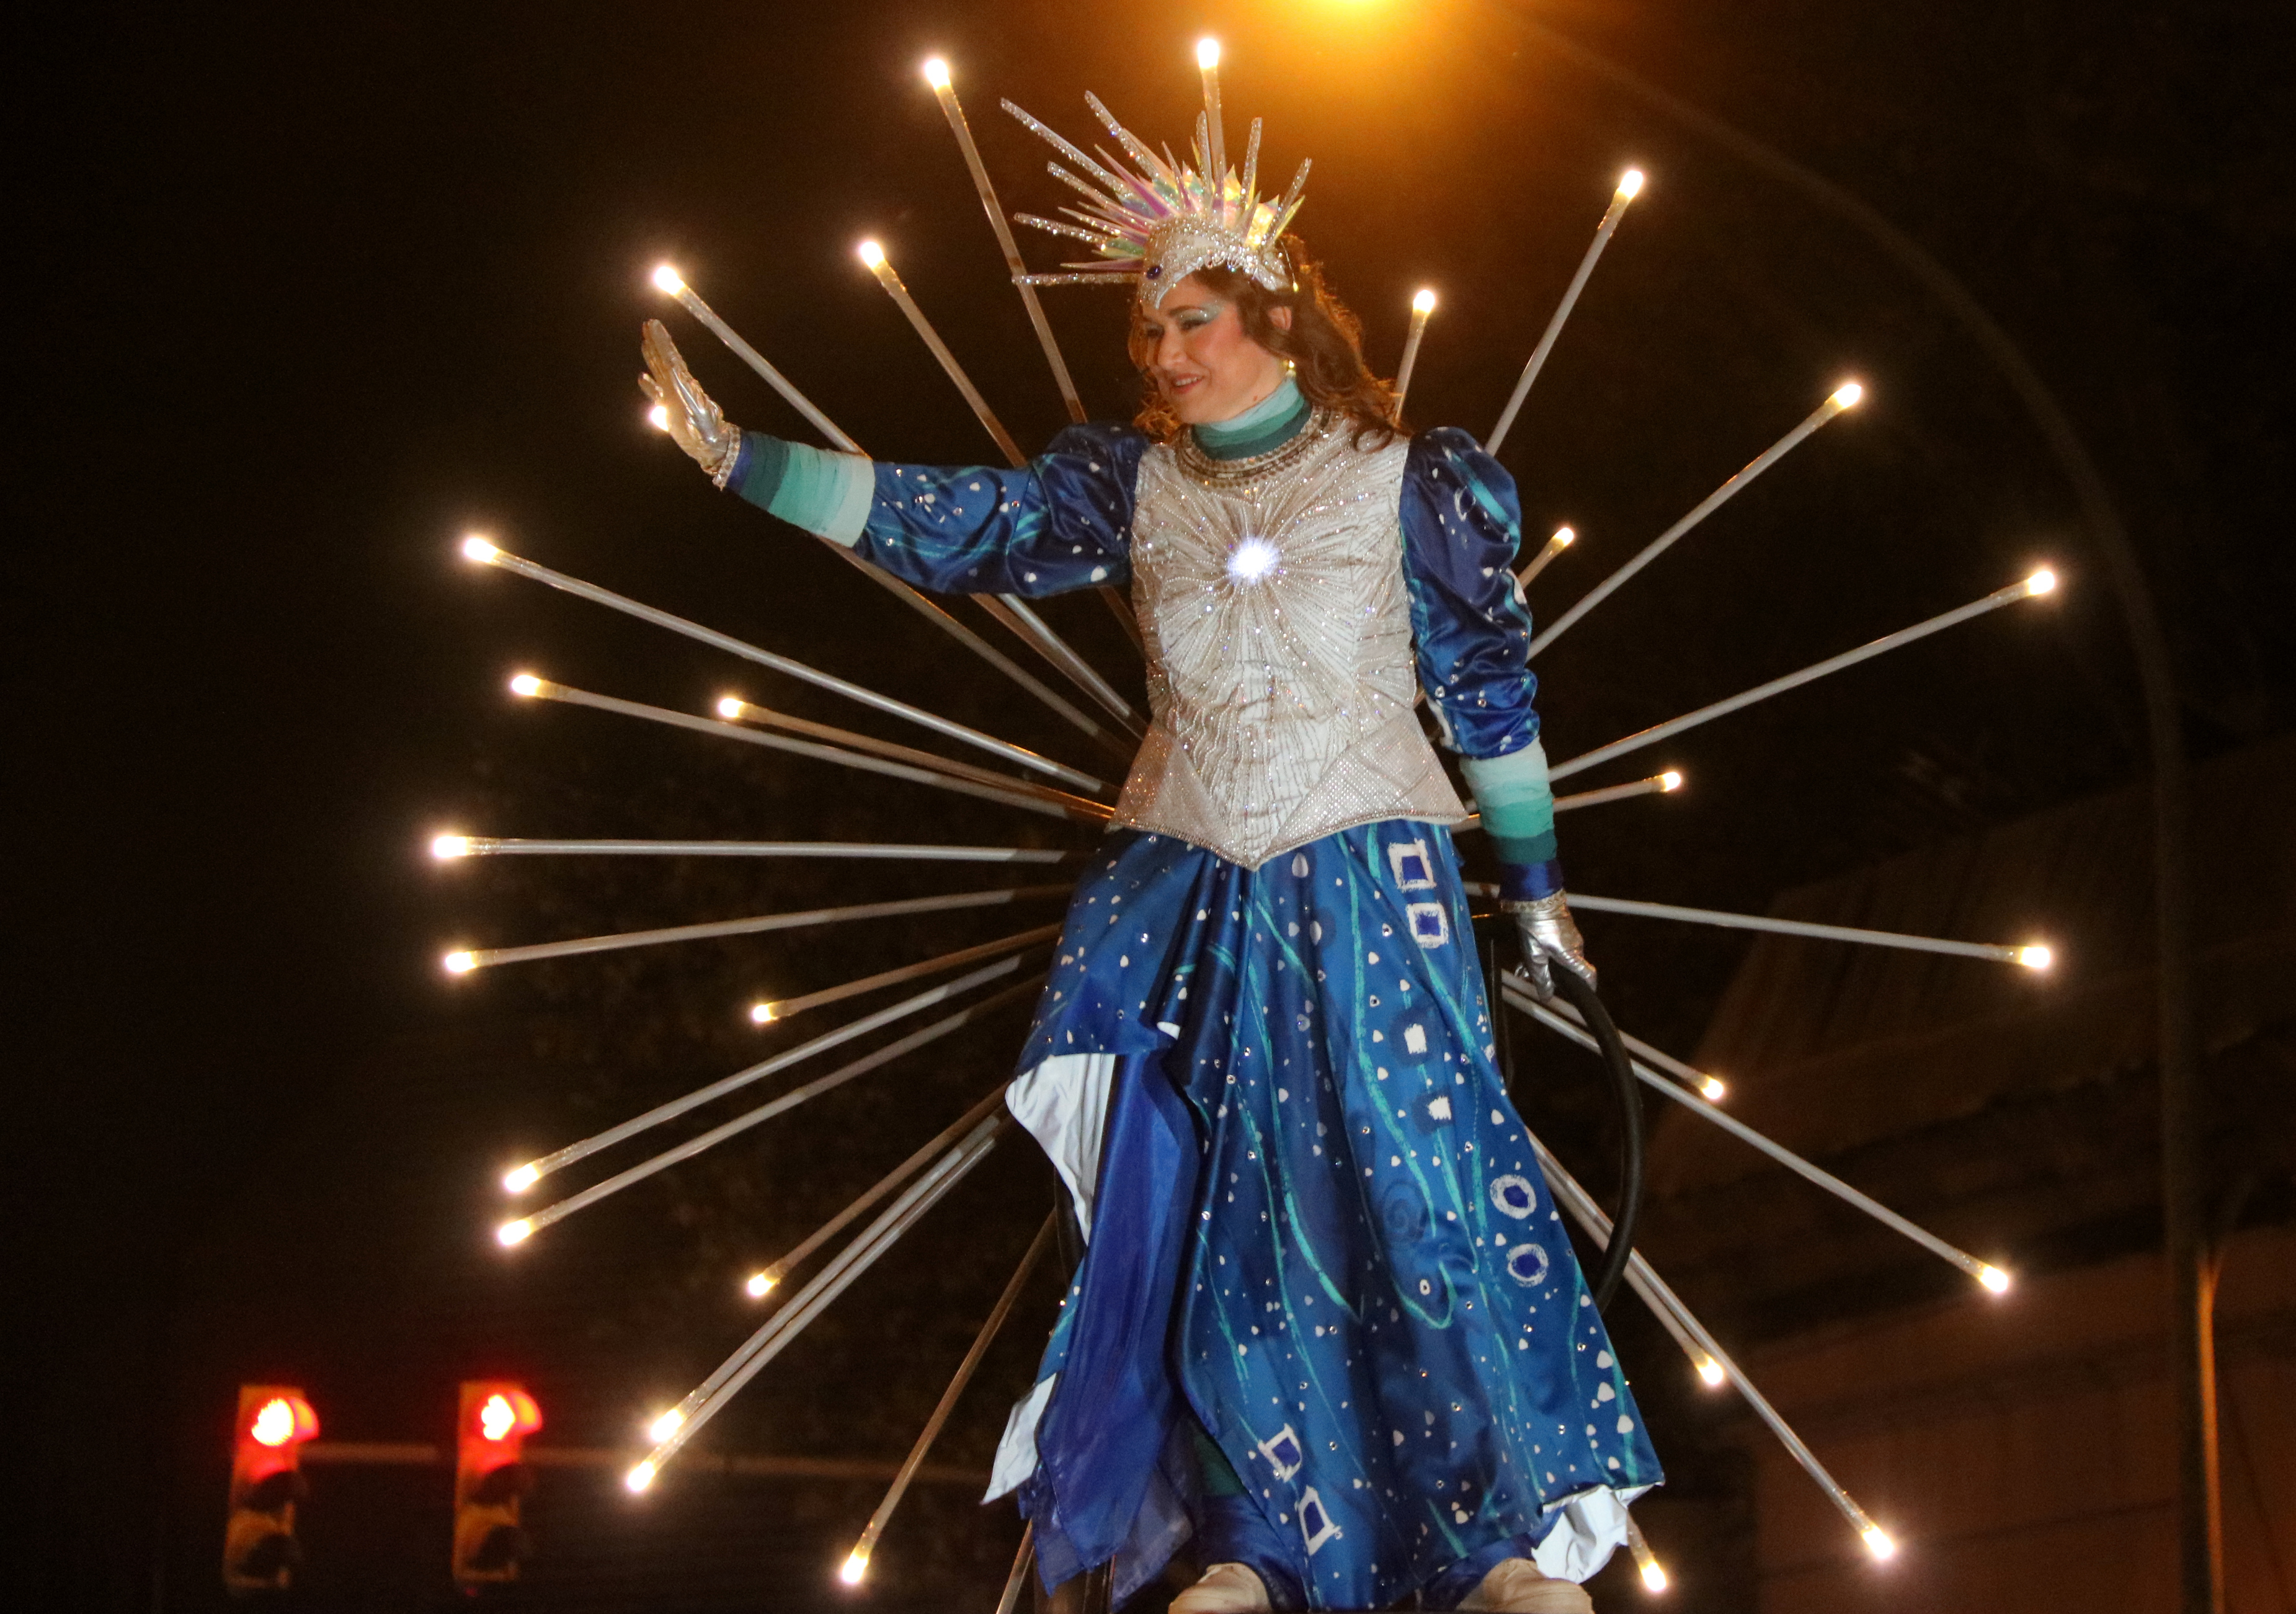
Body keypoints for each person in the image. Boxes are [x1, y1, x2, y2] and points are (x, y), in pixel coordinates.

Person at [638, 98, 1659, 1612]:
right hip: (1200, 896)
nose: (1165, 355)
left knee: (1419, 1179)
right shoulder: (1132, 485)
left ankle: (1493, 1531)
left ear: (1275, 316)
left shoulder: (1412, 478)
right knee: (1230, 1206)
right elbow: (956, 523)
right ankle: (1257, 1533)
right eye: (1151, 334)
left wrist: (1539, 885)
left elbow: (1495, 696)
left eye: (1189, 320)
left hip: (1379, 880)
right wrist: (743, 462)